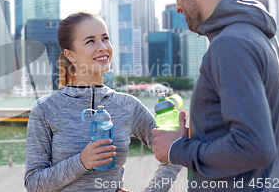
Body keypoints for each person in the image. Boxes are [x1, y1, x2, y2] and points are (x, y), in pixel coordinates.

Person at [151, 0, 279, 191]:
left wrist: (177, 149)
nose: (178, 5)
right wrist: (199, 134)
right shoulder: (259, 34)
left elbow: (255, 146)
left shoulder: (231, 43)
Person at [24, 11, 182, 192]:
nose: (103, 47)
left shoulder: (129, 106)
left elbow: (174, 152)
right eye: (90, 41)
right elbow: (33, 183)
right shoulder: (45, 109)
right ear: (70, 55)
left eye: (105, 38)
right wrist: (82, 161)